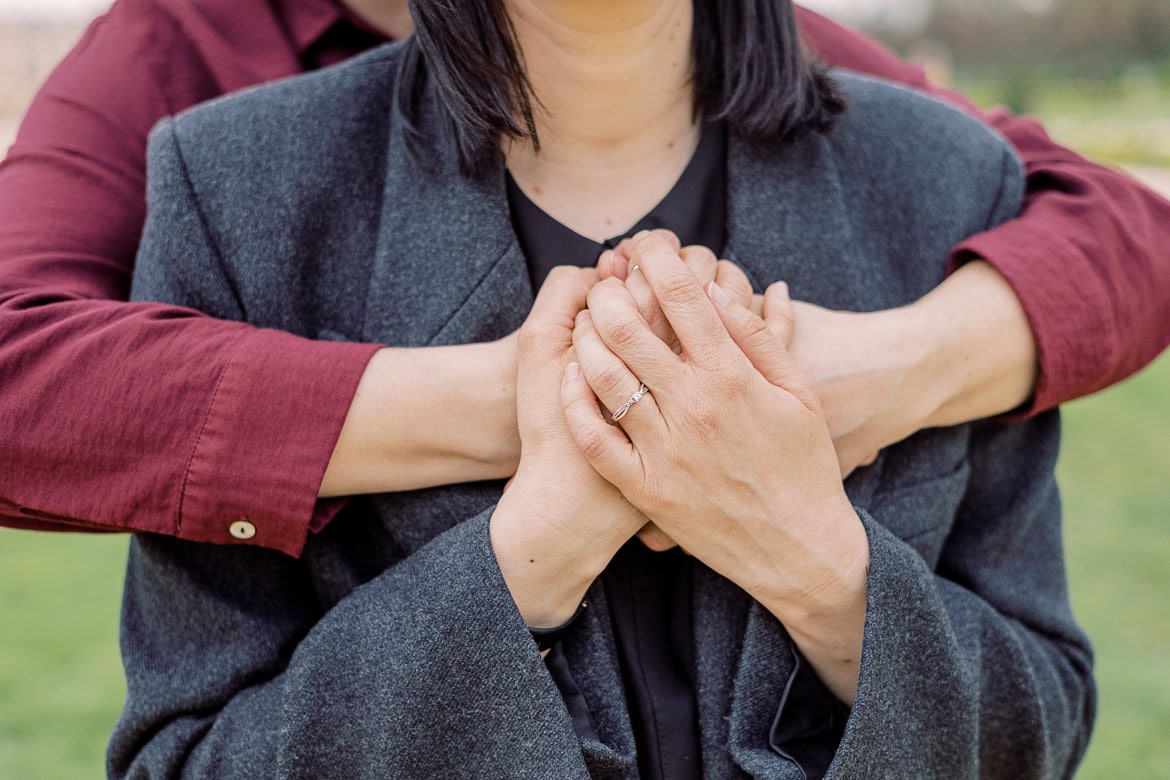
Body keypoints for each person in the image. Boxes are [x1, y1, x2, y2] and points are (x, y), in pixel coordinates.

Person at [109, 0, 1093, 776]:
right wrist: (532, 556)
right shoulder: (237, 187)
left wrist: (816, 559)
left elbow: (1042, 723)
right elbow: (184, 762)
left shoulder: (946, 177)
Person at [0, 0, 1168, 556]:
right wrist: (550, 408)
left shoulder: (685, 26)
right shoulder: (180, 50)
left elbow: (1119, 229)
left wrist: (879, 374)